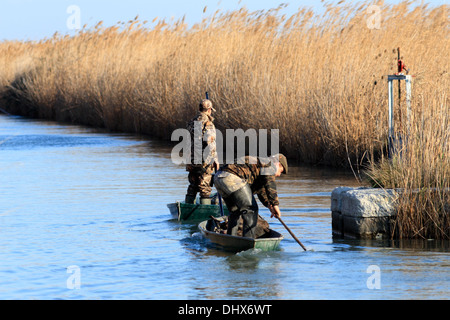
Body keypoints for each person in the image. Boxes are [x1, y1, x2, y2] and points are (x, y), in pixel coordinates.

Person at [213, 154, 288, 238]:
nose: (279, 175)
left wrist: (269, 205)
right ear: (277, 164)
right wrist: (275, 204)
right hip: (232, 178)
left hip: (219, 178)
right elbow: (270, 184)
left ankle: (230, 238)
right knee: (251, 210)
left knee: (235, 212)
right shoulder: (269, 164)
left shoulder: (259, 165)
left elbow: (261, 191)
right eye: (281, 171)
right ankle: (248, 241)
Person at [185, 99, 219, 205]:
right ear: (209, 110)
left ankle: (187, 208)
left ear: (200, 109)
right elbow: (210, 142)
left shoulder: (192, 122)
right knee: (205, 188)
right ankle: (205, 214)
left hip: (191, 159)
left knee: (193, 185)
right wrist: (215, 160)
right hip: (205, 160)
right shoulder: (208, 123)